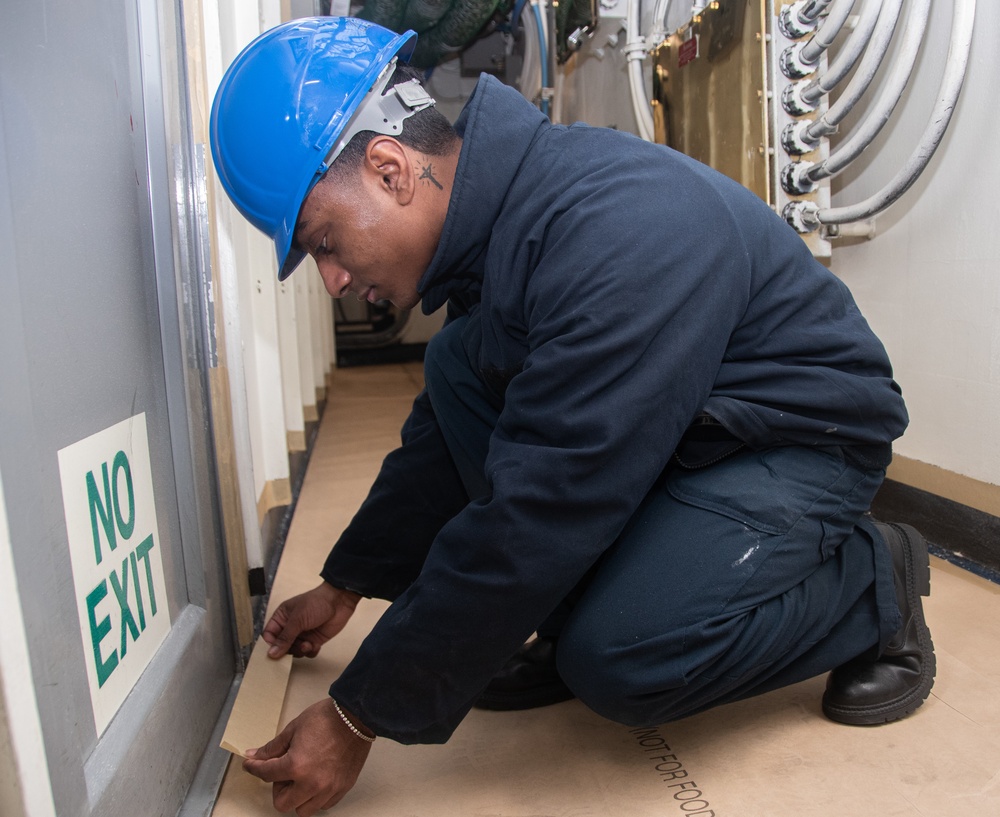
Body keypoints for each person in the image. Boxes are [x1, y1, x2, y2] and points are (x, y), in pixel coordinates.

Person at [210, 16, 935, 816]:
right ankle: (583, 612)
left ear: (390, 170)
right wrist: (346, 583)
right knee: (460, 364)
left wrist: (358, 712)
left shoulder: (613, 230)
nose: (334, 280)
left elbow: (546, 502)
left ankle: (875, 584)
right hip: (684, 430)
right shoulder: (505, 231)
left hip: (793, 437)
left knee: (625, 658)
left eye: (324, 242)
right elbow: (452, 452)